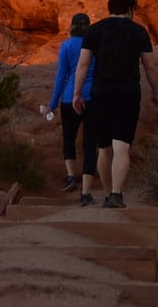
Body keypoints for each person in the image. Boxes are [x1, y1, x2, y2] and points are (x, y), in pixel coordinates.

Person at [71, 0, 158, 208]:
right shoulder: (139, 32)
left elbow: (83, 64)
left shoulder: (94, 31)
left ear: (110, 9)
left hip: (101, 92)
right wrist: (157, 92)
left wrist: (76, 93)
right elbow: (150, 66)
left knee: (103, 148)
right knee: (121, 147)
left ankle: (107, 193)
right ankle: (116, 194)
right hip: (128, 91)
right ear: (130, 10)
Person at [46, 12, 97, 192]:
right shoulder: (95, 45)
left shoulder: (66, 46)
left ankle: (70, 176)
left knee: (69, 138)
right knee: (90, 143)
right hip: (92, 97)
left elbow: (61, 77)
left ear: (72, 27)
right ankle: (87, 189)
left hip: (69, 98)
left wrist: (53, 103)